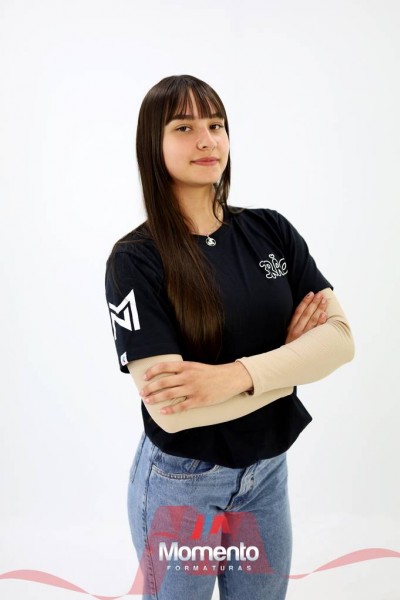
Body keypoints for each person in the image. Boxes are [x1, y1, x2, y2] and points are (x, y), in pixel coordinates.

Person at [105, 74, 355, 600]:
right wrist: (291, 366)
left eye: (216, 125)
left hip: (267, 473)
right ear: (153, 142)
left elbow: (339, 341)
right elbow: (174, 411)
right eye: (184, 127)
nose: (207, 140)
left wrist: (232, 377)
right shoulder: (136, 260)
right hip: (182, 483)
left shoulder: (270, 230)